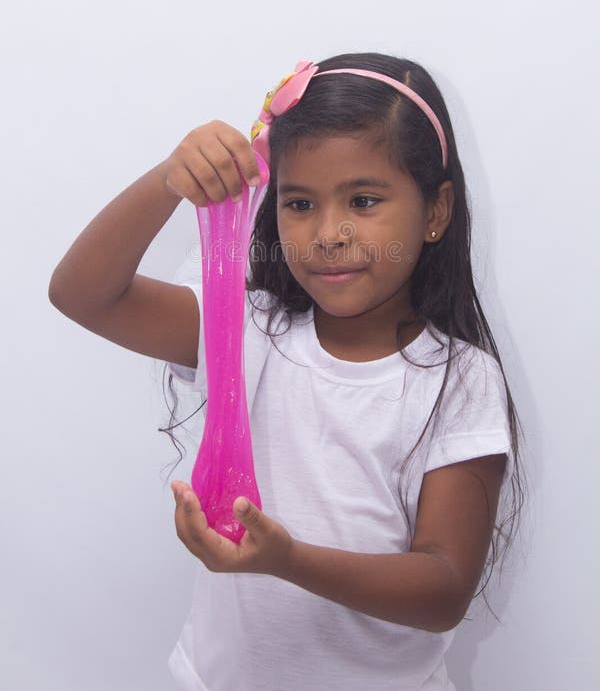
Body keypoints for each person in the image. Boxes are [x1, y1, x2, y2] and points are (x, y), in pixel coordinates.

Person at [48, 52, 526, 691]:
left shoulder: (460, 381)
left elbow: (443, 587)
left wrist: (288, 560)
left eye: (362, 199)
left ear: (436, 211)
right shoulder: (243, 328)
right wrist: (170, 177)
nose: (329, 233)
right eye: (299, 204)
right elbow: (83, 294)